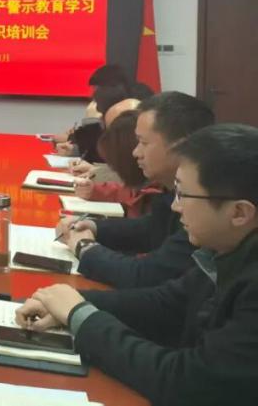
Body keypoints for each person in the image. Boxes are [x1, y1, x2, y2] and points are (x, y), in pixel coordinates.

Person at [16, 124, 258, 406]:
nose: (175, 206)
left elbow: (187, 383)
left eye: (184, 195)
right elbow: (167, 305)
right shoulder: (225, 250)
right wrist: (70, 303)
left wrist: (82, 317)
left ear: (239, 212)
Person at [58, 91, 215, 288]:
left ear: (180, 148)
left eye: (143, 143)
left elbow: (147, 275)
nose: (135, 152)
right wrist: (93, 226)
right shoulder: (173, 190)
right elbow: (151, 229)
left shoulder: (204, 203)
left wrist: (85, 247)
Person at [73, 110, 164, 218]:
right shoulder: (145, 187)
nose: (137, 152)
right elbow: (128, 193)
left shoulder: (159, 197)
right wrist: (95, 191)